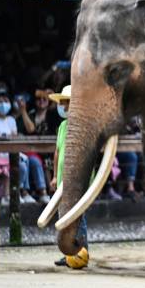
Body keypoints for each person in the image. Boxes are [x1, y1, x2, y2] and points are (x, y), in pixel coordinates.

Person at [49, 85, 90, 269]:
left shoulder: (85, 125)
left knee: (77, 215)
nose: (64, 107)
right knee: (64, 215)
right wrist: (54, 177)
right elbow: (57, 152)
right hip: (62, 178)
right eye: (63, 103)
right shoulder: (63, 126)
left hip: (79, 179)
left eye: (67, 103)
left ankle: (80, 251)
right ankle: (67, 252)